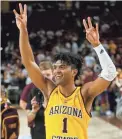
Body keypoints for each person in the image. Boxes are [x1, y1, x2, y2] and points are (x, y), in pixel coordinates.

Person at [13, 3, 117, 139]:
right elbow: (29, 62)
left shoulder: (84, 93)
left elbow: (110, 72)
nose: (56, 71)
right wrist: (23, 31)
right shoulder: (49, 90)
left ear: (74, 72)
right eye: (55, 67)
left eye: (61, 67)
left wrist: (97, 46)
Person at [26, 61, 53, 139]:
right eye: (43, 75)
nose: (45, 78)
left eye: (48, 75)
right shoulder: (33, 91)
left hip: (55, 133)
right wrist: (34, 111)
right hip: (37, 134)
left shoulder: (60, 91)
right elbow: (29, 120)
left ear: (53, 74)